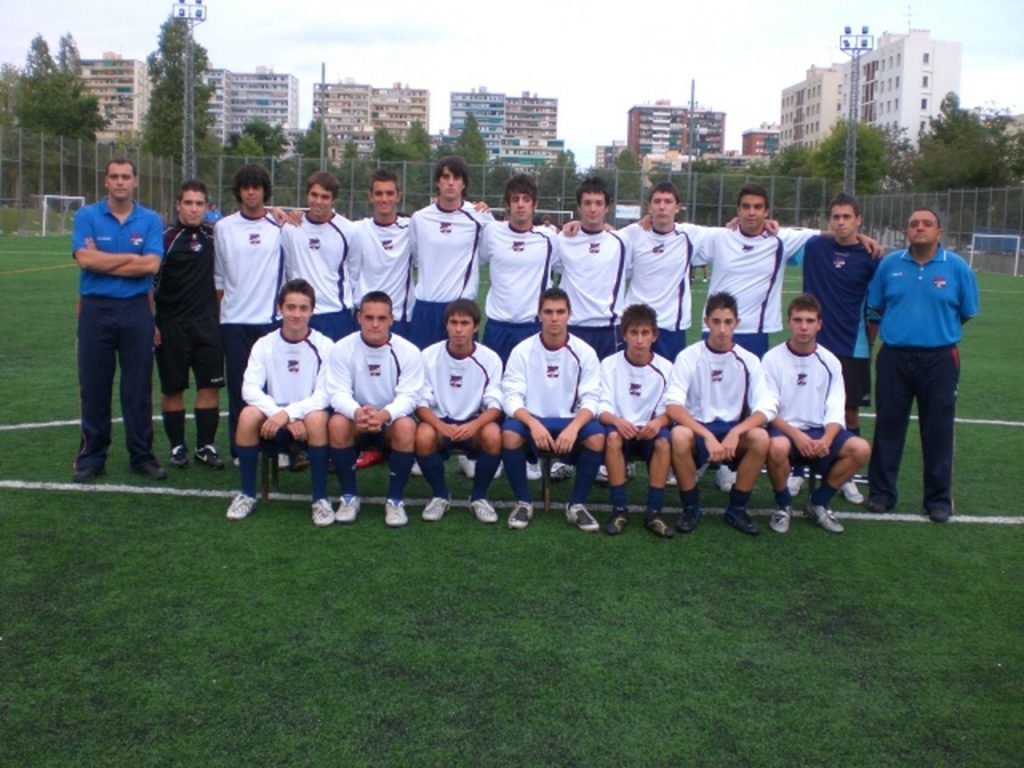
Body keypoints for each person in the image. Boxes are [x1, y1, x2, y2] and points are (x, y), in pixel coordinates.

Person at [866, 208, 979, 523]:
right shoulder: (890, 265)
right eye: (913, 223)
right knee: (888, 427)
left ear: (939, 232)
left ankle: (938, 499)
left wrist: (937, 331)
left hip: (939, 359)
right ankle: (881, 494)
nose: (919, 228)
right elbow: (876, 306)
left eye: (927, 224)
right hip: (894, 358)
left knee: (938, 430)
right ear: (906, 231)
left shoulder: (956, 267)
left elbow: (967, 311)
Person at [71, 157, 166, 482]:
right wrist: (130, 258)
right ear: (106, 181)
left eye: (126, 176)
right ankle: (92, 458)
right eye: (114, 176)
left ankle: (142, 456)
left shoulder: (150, 219)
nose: (120, 182)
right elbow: (84, 258)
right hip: (96, 310)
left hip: (135, 310)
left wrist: (104, 260)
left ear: (135, 181)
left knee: (138, 388)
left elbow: (151, 266)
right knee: (94, 387)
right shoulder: (87, 216)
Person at [789, 193, 878, 504]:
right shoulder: (814, 247)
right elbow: (775, 241)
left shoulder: (871, 257)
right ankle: (797, 472)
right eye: (836, 217)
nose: (841, 222)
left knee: (848, 409)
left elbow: (878, 302)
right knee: (801, 407)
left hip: (853, 345)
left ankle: (845, 477)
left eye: (847, 217)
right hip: (810, 345)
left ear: (858, 220)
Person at [225, 279, 334, 525]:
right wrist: (280, 414)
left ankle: (320, 499)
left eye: (303, 308)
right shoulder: (264, 344)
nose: (296, 314)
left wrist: (291, 414)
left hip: (307, 416)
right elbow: (249, 389)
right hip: (273, 415)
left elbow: (325, 395)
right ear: (280, 308)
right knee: (248, 415)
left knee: (317, 418)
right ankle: (247, 494)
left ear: (312, 311)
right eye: (291, 307)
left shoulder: (325, 346)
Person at [665, 292, 775, 536]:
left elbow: (766, 406)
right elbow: (673, 404)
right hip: (699, 429)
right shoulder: (689, 356)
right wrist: (706, 436)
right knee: (680, 435)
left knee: (761, 438)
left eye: (728, 322)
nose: (722, 329)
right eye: (716, 321)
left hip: (733, 430)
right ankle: (691, 507)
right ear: (706, 322)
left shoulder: (749, 360)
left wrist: (737, 431)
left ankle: (737, 508)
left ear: (737, 322)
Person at [762, 294, 872, 534]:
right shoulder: (772, 359)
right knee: (777, 447)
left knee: (860, 448)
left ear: (819, 324)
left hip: (820, 431)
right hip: (785, 431)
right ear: (789, 322)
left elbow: (836, 408)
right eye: (798, 320)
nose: (803, 326)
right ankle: (783, 506)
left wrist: (826, 439)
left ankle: (819, 502)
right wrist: (797, 436)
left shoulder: (830, 361)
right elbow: (768, 409)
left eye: (810, 321)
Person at [501, 287, 605, 532]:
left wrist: (574, 428)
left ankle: (576, 505)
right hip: (533, 419)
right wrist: (533, 423)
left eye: (560, 312)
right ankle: (523, 502)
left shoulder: (585, 352)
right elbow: (511, 396)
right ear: (539, 315)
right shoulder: (522, 351)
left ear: (570, 314)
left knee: (598, 436)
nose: (554, 318)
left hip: (570, 420)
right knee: (509, 433)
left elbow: (592, 398)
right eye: (548, 312)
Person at [324, 291, 425, 527]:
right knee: (337, 423)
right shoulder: (342, 348)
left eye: (381, 318)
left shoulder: (408, 351)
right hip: (357, 421)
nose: (375, 324)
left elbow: (410, 396)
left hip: (389, 421)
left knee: (407, 426)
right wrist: (357, 412)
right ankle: (349, 496)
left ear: (392, 319)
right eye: (369, 317)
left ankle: (395, 501)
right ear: (359, 317)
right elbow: (337, 392)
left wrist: (384, 415)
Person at [214, 164, 284, 459]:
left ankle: (276, 447)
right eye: (246, 187)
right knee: (240, 387)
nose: (251, 192)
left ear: (264, 191)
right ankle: (241, 448)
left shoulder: (280, 226)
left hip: (269, 321)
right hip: (235, 321)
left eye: (256, 187)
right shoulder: (223, 228)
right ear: (239, 192)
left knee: (273, 388)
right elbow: (219, 277)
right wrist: (225, 312)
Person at [154, 179, 225, 470]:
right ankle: (177, 446)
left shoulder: (215, 235)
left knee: (209, 387)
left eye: (199, 204)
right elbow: (150, 283)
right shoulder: (166, 239)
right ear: (178, 205)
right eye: (188, 203)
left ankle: (205, 446)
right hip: (171, 324)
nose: (194, 209)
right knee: (173, 388)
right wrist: (152, 322)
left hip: (208, 324)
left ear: (207, 208)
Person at [415, 299, 504, 524]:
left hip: (473, 422)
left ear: (475, 327)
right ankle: (440, 496)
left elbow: (495, 405)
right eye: (453, 322)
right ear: (446, 325)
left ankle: (479, 497)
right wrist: (440, 426)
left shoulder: (490, 359)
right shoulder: (428, 356)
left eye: (464, 323)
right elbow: (420, 403)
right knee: (423, 434)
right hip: (439, 421)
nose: (458, 329)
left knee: (493, 434)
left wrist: (473, 425)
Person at [597, 304, 674, 538]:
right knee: (611, 438)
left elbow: (673, 408)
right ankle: (619, 509)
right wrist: (617, 421)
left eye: (645, 333)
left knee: (663, 443)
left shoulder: (666, 368)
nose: (639, 340)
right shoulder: (609, 365)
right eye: (633, 333)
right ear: (624, 334)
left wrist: (658, 423)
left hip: (651, 431)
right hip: (620, 428)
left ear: (654, 335)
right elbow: (600, 407)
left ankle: (654, 512)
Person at [408, 156, 494, 349]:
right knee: (422, 371)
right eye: (445, 177)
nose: (450, 182)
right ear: (437, 182)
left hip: (460, 310)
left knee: (461, 371)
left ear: (464, 184)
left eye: (456, 177)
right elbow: (415, 255)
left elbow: (487, 255)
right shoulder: (420, 219)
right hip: (425, 308)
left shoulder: (480, 218)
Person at [620, 182, 711, 361]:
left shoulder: (690, 235)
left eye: (668, 202)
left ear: (677, 207)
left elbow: (730, 234)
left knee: (668, 382)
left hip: (671, 326)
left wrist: (738, 221)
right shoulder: (632, 234)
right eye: (657, 201)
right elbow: (603, 237)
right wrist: (577, 224)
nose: (662, 206)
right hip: (635, 325)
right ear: (649, 207)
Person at [479, 173, 559, 364]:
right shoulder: (492, 232)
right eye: (515, 199)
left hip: (532, 327)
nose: (521, 204)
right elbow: (481, 259)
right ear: (507, 204)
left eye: (526, 199)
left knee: (531, 388)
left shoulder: (549, 238)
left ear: (534, 204)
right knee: (493, 386)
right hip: (497, 326)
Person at [554, 175, 631, 361]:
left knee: (607, 387)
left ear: (607, 207)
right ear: (579, 207)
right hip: (573, 327)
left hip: (609, 329)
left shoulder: (622, 241)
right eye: (587, 203)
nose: (593, 209)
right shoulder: (562, 240)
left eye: (598, 203)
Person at [281, 170, 357, 341]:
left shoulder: (348, 230)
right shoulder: (291, 228)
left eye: (325, 197)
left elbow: (354, 270)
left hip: (335, 314)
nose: (318, 201)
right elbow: (289, 268)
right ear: (307, 196)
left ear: (333, 200)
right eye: (314, 195)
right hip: (301, 313)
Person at [349, 168, 415, 340]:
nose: (384, 199)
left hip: (399, 317)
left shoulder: (411, 228)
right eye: (378, 193)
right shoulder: (356, 230)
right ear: (370, 196)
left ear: (398, 196)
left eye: (389, 193)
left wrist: (477, 207)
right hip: (364, 318)